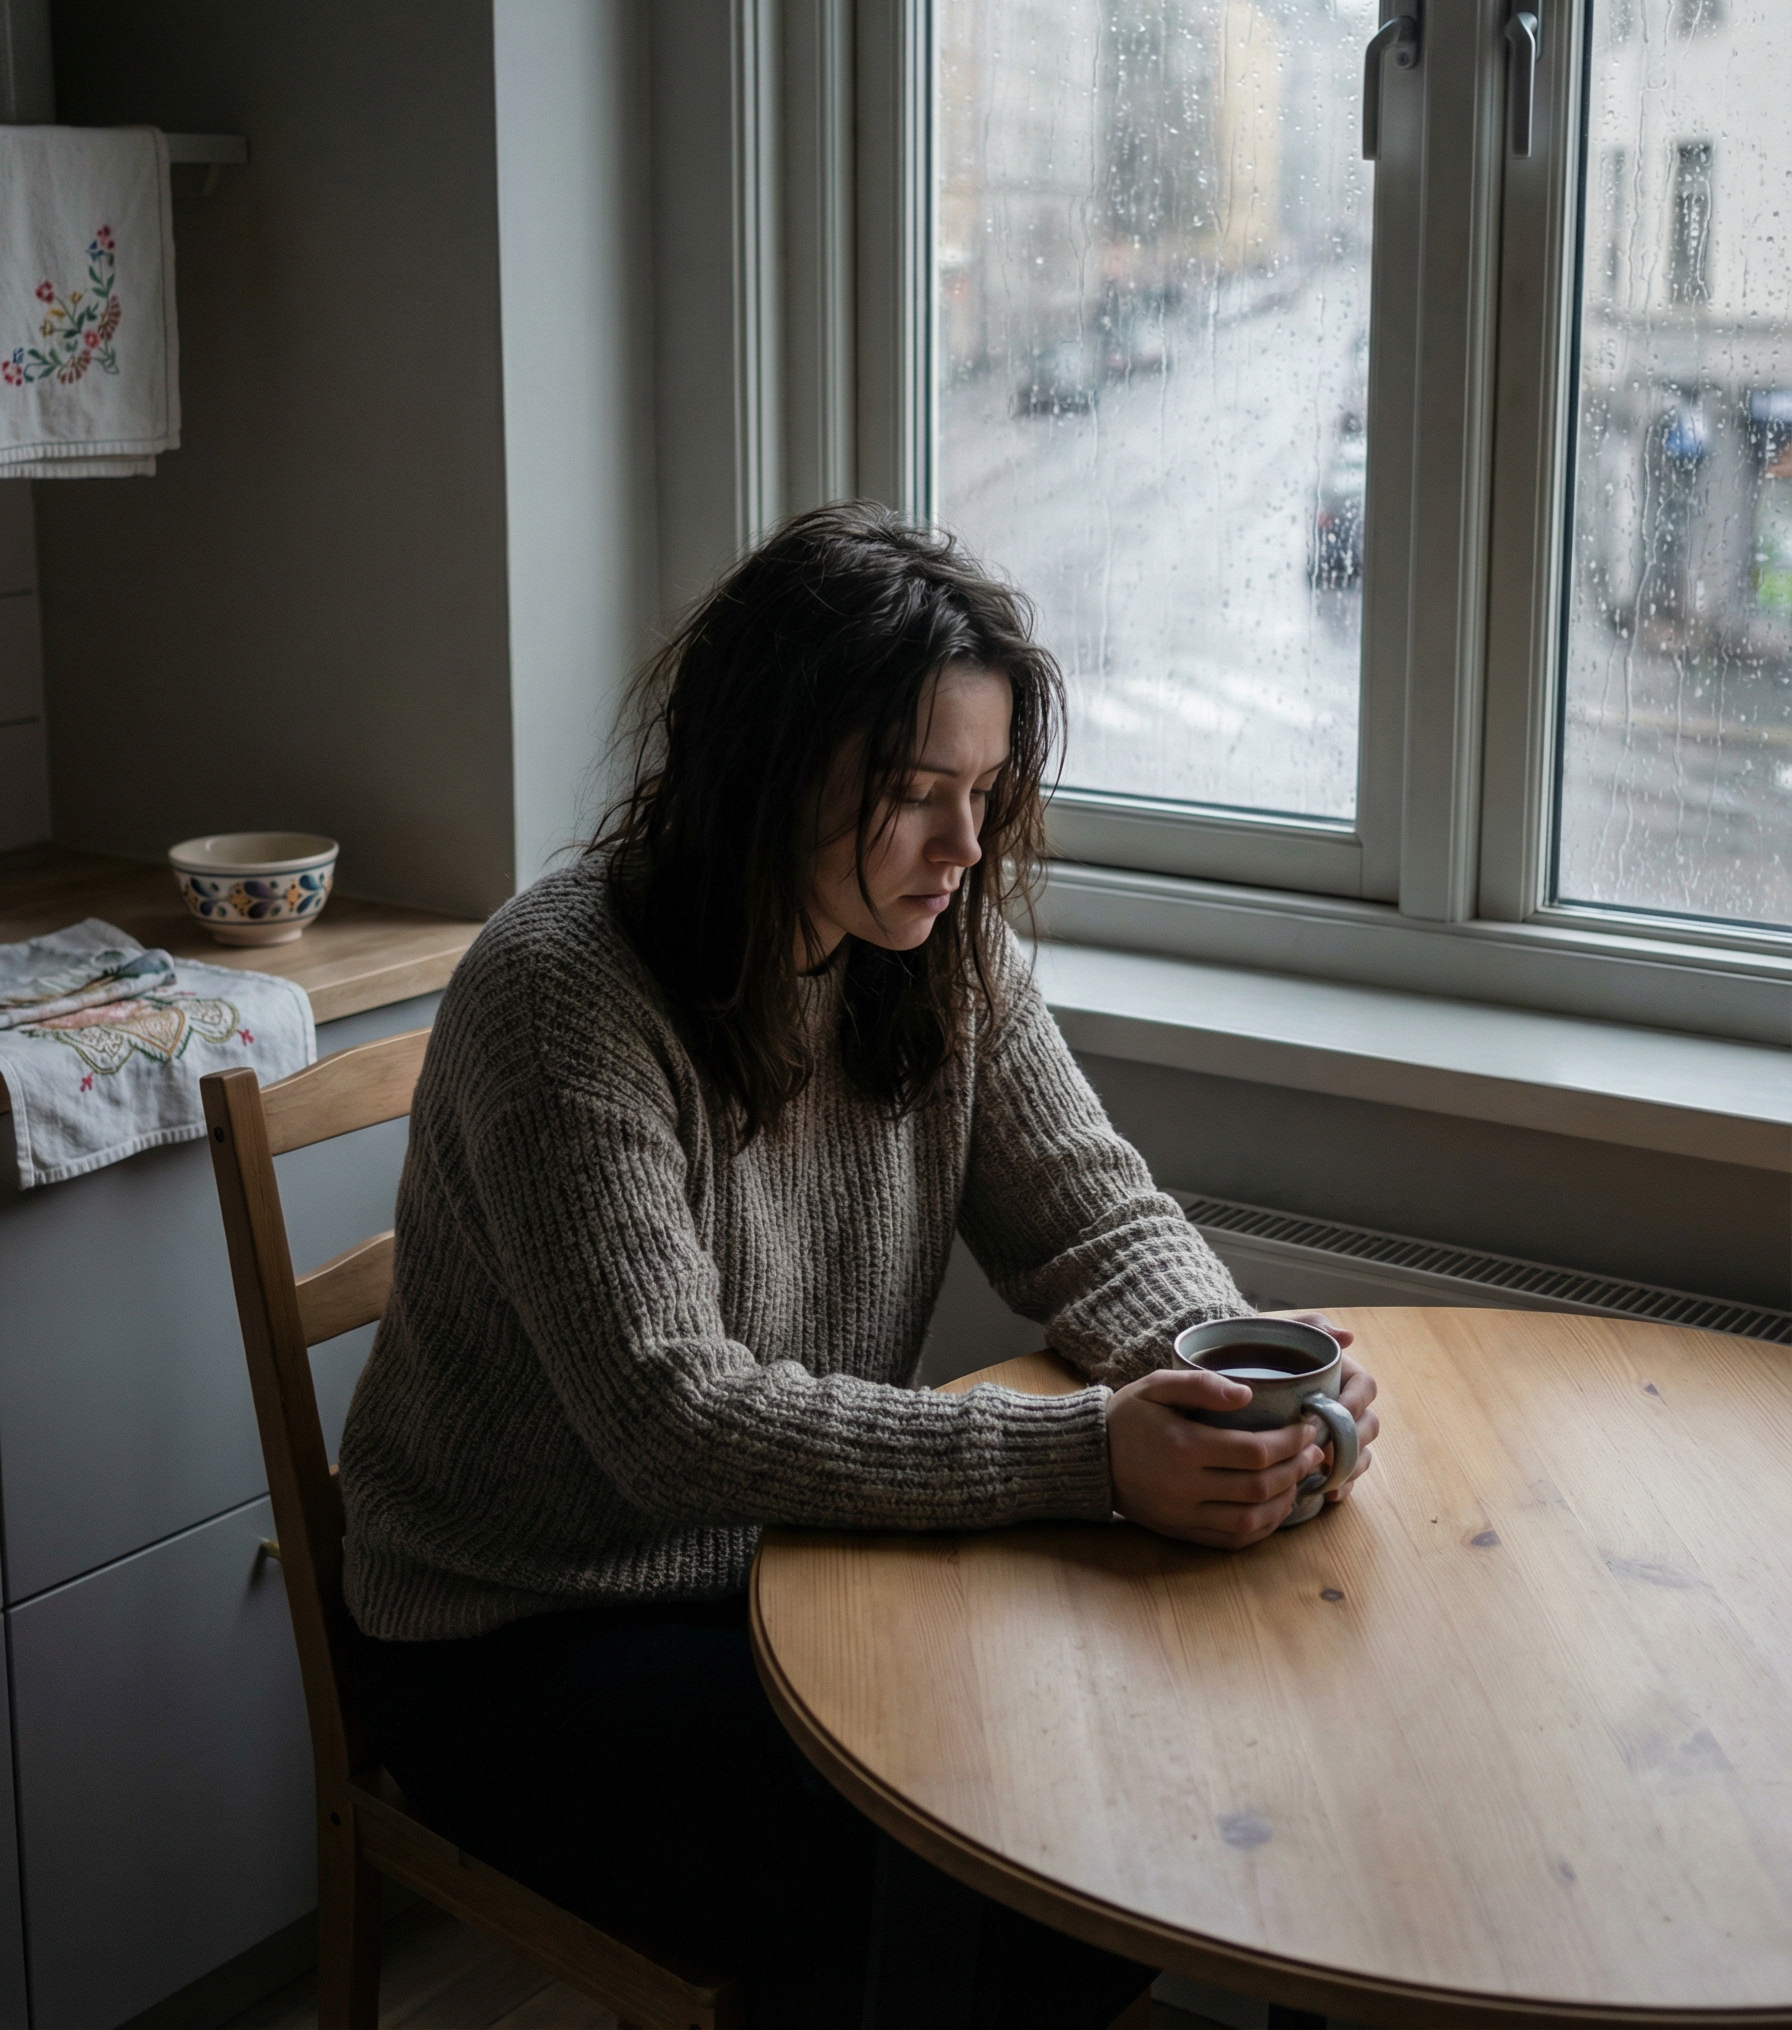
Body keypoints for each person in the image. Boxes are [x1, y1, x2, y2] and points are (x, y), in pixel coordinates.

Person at [338, 504, 1379, 2029]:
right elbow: (669, 1417)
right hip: (519, 1632)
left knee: (1144, 1785)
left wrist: (1235, 1369)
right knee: (1003, 1867)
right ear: (762, 769)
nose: (966, 848)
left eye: (985, 790)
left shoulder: (940, 954)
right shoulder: (562, 995)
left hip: (787, 1566)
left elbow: (1093, 1217)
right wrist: (1093, 1454)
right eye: (912, 795)